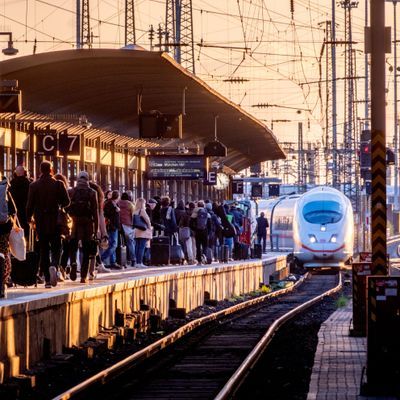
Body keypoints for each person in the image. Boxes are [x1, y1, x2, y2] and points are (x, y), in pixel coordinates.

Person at [26, 161, 70, 288]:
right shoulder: (58, 184)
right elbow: (67, 201)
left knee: (44, 249)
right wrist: (59, 205)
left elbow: (29, 205)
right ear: (51, 170)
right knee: (57, 246)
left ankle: (47, 280)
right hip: (56, 220)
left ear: (40, 170)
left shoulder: (34, 185)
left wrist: (29, 218)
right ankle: (54, 265)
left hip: (40, 221)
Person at [66, 171, 99, 283]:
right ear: (88, 179)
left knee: (73, 246)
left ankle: (73, 263)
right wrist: (96, 229)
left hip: (74, 222)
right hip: (87, 223)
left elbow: (66, 208)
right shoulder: (92, 192)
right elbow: (95, 212)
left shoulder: (71, 191)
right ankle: (83, 276)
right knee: (86, 249)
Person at [0, 176, 17, 298]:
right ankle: (2, 285)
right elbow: (14, 210)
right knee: (4, 254)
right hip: (3, 228)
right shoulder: (5, 190)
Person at [9, 165, 31, 238]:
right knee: (27, 230)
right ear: (25, 172)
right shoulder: (29, 184)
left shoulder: (11, 184)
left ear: (15, 173)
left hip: (15, 212)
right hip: (26, 211)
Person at [101, 190, 121, 269]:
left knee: (112, 244)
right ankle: (101, 259)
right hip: (112, 226)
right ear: (117, 196)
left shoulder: (113, 203)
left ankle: (113, 262)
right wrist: (115, 210)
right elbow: (107, 214)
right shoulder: (110, 203)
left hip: (112, 226)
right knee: (114, 244)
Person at [190, 200, 211, 265]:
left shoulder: (194, 213)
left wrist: (194, 229)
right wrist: (208, 232)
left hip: (197, 231)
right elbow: (209, 224)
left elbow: (190, 223)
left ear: (197, 205)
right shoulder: (206, 213)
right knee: (205, 245)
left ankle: (199, 261)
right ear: (203, 206)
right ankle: (204, 255)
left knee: (198, 246)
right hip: (205, 231)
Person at [133, 198, 152, 268]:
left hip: (137, 231)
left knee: (137, 247)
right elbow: (147, 220)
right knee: (142, 247)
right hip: (143, 231)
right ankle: (140, 262)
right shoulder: (142, 211)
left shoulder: (135, 211)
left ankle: (137, 262)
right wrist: (150, 228)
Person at [118, 192, 135, 266]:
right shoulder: (130, 204)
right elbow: (133, 215)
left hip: (119, 225)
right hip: (128, 225)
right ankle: (132, 259)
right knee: (130, 243)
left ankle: (121, 260)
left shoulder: (118, 203)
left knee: (120, 243)